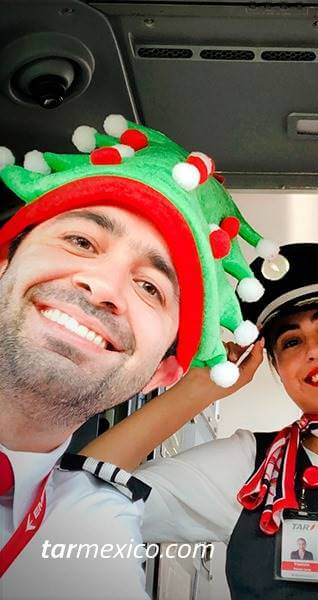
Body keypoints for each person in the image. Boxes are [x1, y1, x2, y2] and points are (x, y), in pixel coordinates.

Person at [0, 115, 277, 598]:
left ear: (161, 373)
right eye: (81, 241)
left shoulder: (91, 528)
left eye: (150, 287)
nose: (104, 285)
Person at [82, 242, 318, 599]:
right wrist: (197, 391)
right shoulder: (250, 469)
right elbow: (78, 502)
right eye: (291, 342)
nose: (313, 349)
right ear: (276, 367)